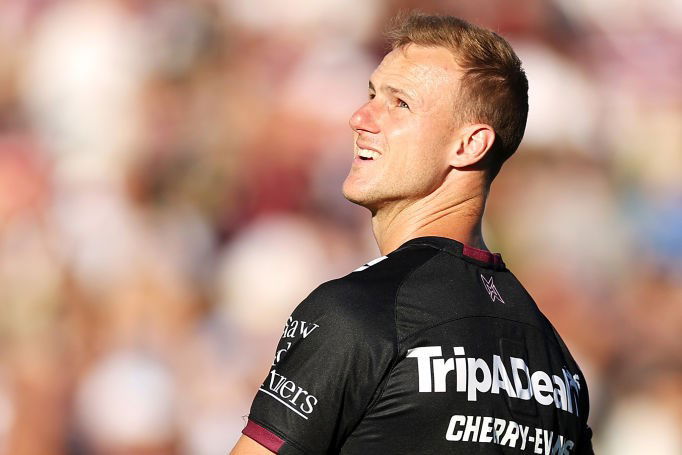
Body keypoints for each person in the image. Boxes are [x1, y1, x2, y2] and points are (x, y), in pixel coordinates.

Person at [231, 12, 594, 455]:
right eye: (371, 94)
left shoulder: (360, 313)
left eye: (399, 103)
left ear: (469, 145)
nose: (360, 117)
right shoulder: (557, 363)